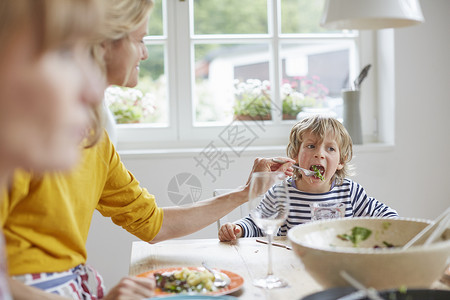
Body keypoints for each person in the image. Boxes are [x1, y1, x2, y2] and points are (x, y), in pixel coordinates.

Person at [1, 0, 295, 299]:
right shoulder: (22, 139)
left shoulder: (97, 141)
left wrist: (246, 192)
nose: (145, 52)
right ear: (104, 44)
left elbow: (153, 224)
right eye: (140, 40)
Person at [218, 115, 398, 242]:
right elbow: (257, 224)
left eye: (330, 149)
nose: (319, 154)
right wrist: (238, 229)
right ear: (296, 155)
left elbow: (387, 216)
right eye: (311, 146)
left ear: (341, 161)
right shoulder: (281, 192)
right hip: (293, 264)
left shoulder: (350, 192)